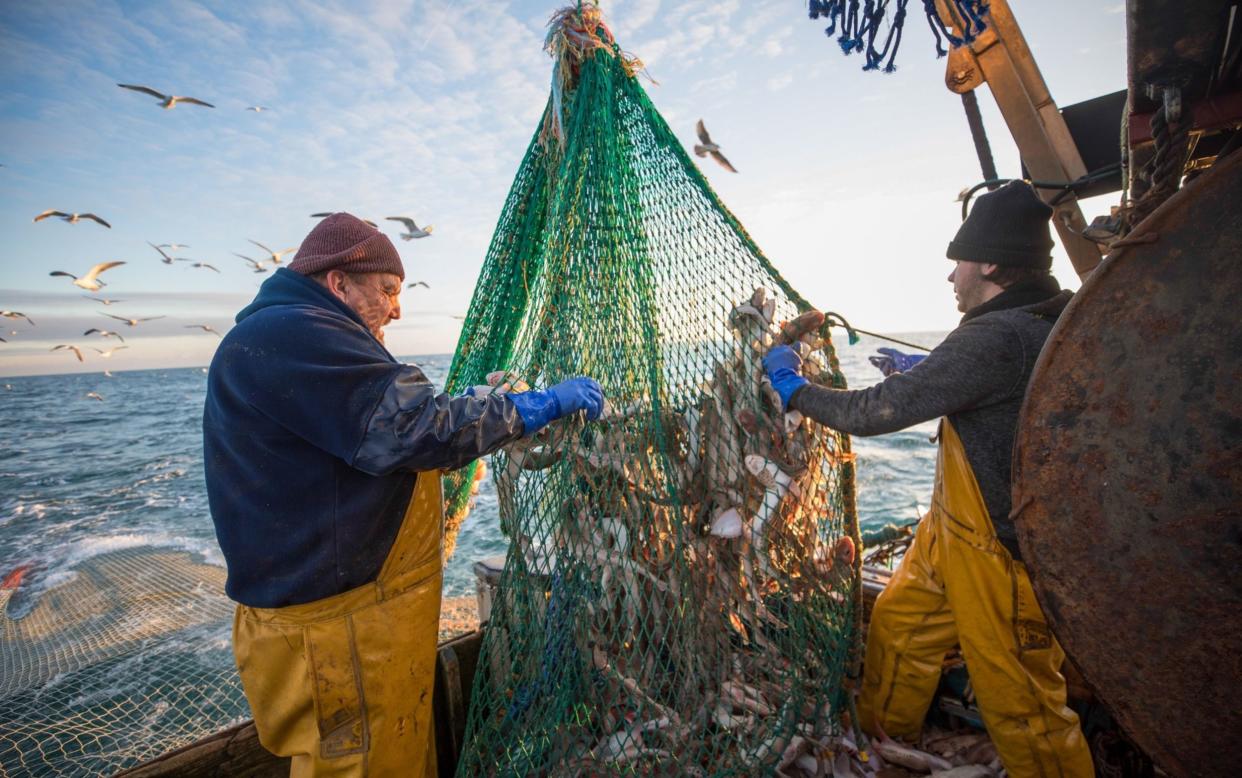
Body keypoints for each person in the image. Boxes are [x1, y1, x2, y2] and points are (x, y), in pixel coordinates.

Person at [203, 212, 604, 776]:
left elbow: (374, 432)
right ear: (338, 282)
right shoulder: (297, 333)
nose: (397, 308)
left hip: (337, 626)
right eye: (388, 290)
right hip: (338, 638)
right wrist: (536, 406)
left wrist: (467, 403)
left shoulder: (285, 333)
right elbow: (415, 430)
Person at [763, 182, 1094, 777]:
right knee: (899, 626)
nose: (951, 278)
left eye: (958, 262)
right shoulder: (1042, 317)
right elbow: (1000, 388)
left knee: (1021, 702)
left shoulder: (997, 335)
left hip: (1000, 554)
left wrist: (795, 388)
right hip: (951, 538)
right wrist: (930, 370)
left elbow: (872, 413)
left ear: (990, 263)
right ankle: (881, 752)